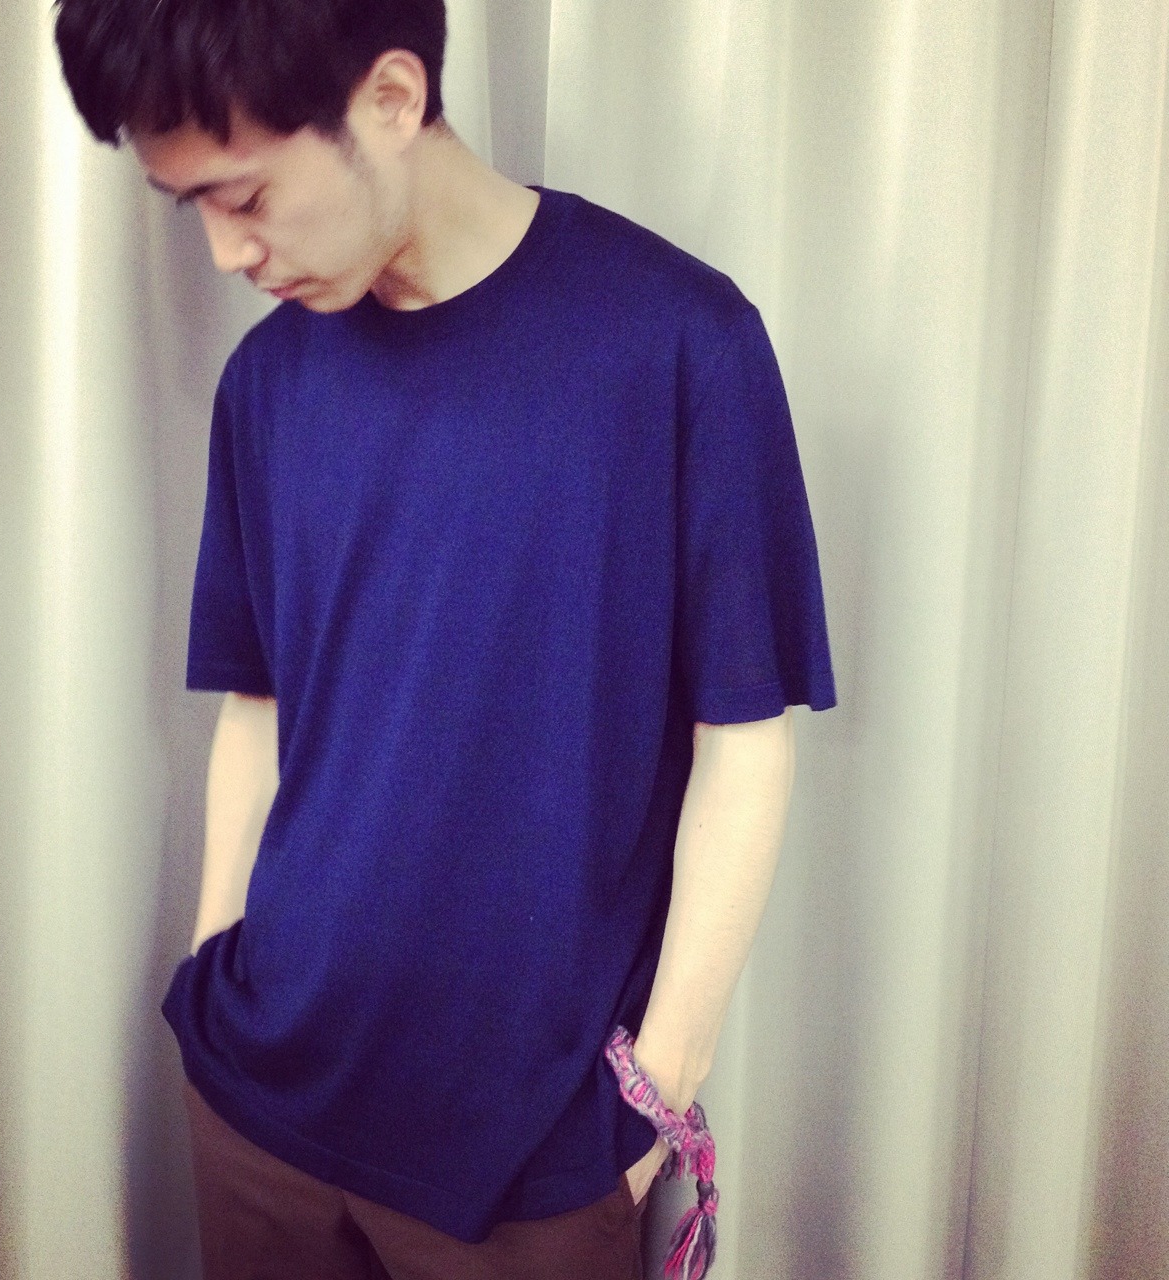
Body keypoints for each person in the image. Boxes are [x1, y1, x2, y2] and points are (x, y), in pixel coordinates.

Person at [53, 2, 838, 1278]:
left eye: (244, 195)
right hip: (260, 1105)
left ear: (389, 99)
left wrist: (653, 1094)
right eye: (186, 204)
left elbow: (743, 741)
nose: (223, 252)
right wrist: (213, 968)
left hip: (524, 1167)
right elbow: (258, 707)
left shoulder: (679, 345)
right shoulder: (267, 383)